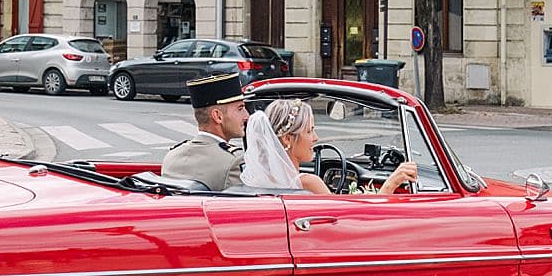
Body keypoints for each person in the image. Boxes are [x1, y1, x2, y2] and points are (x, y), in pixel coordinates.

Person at [242, 98, 417, 194]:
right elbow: (354, 228)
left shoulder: (254, 182)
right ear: (287, 139)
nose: (316, 138)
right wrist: (390, 184)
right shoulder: (308, 183)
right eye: (309, 131)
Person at [160, 72, 250, 190]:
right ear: (218, 116)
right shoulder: (233, 161)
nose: (247, 116)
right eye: (240, 109)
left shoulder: (172, 156)